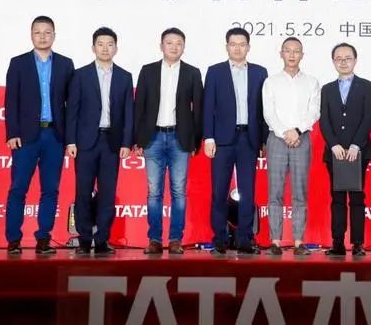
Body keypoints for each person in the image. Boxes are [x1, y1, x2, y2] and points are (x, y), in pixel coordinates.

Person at [4, 15, 74, 255]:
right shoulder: (18, 63)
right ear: (31, 35)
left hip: (54, 135)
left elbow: (72, 105)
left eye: (47, 32)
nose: (42, 36)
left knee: (50, 190)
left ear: (54, 35)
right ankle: (13, 239)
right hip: (25, 137)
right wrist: (12, 133)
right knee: (18, 188)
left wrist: (70, 138)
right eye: (38, 32)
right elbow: (11, 101)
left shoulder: (65, 64)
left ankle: (44, 237)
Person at [65, 27, 133, 255]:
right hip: (85, 143)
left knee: (107, 194)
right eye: (101, 44)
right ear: (93, 47)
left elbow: (128, 113)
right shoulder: (80, 75)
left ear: (116, 48)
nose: (105, 48)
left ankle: (102, 239)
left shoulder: (124, 76)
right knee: (83, 192)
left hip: (111, 143)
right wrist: (71, 141)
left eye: (110, 44)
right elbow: (72, 110)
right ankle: (84, 239)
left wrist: (126, 142)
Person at [134, 27, 203, 255]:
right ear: (161, 45)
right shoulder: (148, 71)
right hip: (152, 138)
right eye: (169, 43)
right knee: (154, 192)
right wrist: (137, 139)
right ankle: (154, 239)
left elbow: (198, 111)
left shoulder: (192, 73)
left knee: (178, 192)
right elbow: (139, 106)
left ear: (184, 47)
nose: (174, 47)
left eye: (178, 43)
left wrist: (195, 141)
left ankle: (175, 239)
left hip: (179, 139)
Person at [203, 27, 268, 256]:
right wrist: (209, 137)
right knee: (219, 191)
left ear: (248, 47)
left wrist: (263, 141)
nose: (237, 48)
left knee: (248, 192)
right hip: (222, 140)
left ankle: (245, 238)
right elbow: (208, 106)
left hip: (249, 139)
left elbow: (264, 110)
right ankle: (220, 238)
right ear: (227, 46)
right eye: (233, 44)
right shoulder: (215, 72)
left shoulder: (260, 72)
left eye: (242, 44)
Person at [262, 37, 320, 256]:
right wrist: (284, 132)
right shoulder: (271, 82)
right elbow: (268, 112)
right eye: (288, 50)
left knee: (299, 192)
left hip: (301, 139)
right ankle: (275, 241)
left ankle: (298, 241)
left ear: (302, 55)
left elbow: (314, 111)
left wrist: (297, 130)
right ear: (281, 54)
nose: (292, 55)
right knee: (275, 192)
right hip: (277, 139)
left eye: (296, 51)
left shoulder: (312, 82)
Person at [319, 43, 371, 257]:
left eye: (348, 58)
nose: (343, 62)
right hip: (334, 153)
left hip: (358, 151)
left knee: (358, 197)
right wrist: (333, 144)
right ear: (333, 61)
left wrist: (355, 145)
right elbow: (324, 120)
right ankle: (337, 243)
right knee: (338, 198)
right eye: (339, 58)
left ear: (355, 60)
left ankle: (358, 243)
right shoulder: (327, 89)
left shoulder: (366, 86)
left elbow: (368, 117)